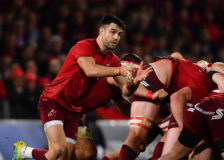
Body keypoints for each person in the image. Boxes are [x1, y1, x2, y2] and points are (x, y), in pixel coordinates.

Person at [12, 16, 152, 160]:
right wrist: (118, 71)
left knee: (72, 156)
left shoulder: (113, 60)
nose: (116, 37)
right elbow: (90, 70)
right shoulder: (84, 46)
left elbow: (125, 90)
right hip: (54, 100)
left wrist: (134, 82)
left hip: (74, 111)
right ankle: (22, 150)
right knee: (57, 150)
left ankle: (26, 152)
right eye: (113, 32)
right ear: (101, 31)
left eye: (119, 34)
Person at [116, 55, 215, 160]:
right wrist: (184, 132)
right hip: (157, 83)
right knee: (140, 136)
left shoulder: (195, 70)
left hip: (157, 82)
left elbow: (176, 55)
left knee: (151, 136)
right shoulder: (206, 86)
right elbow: (176, 98)